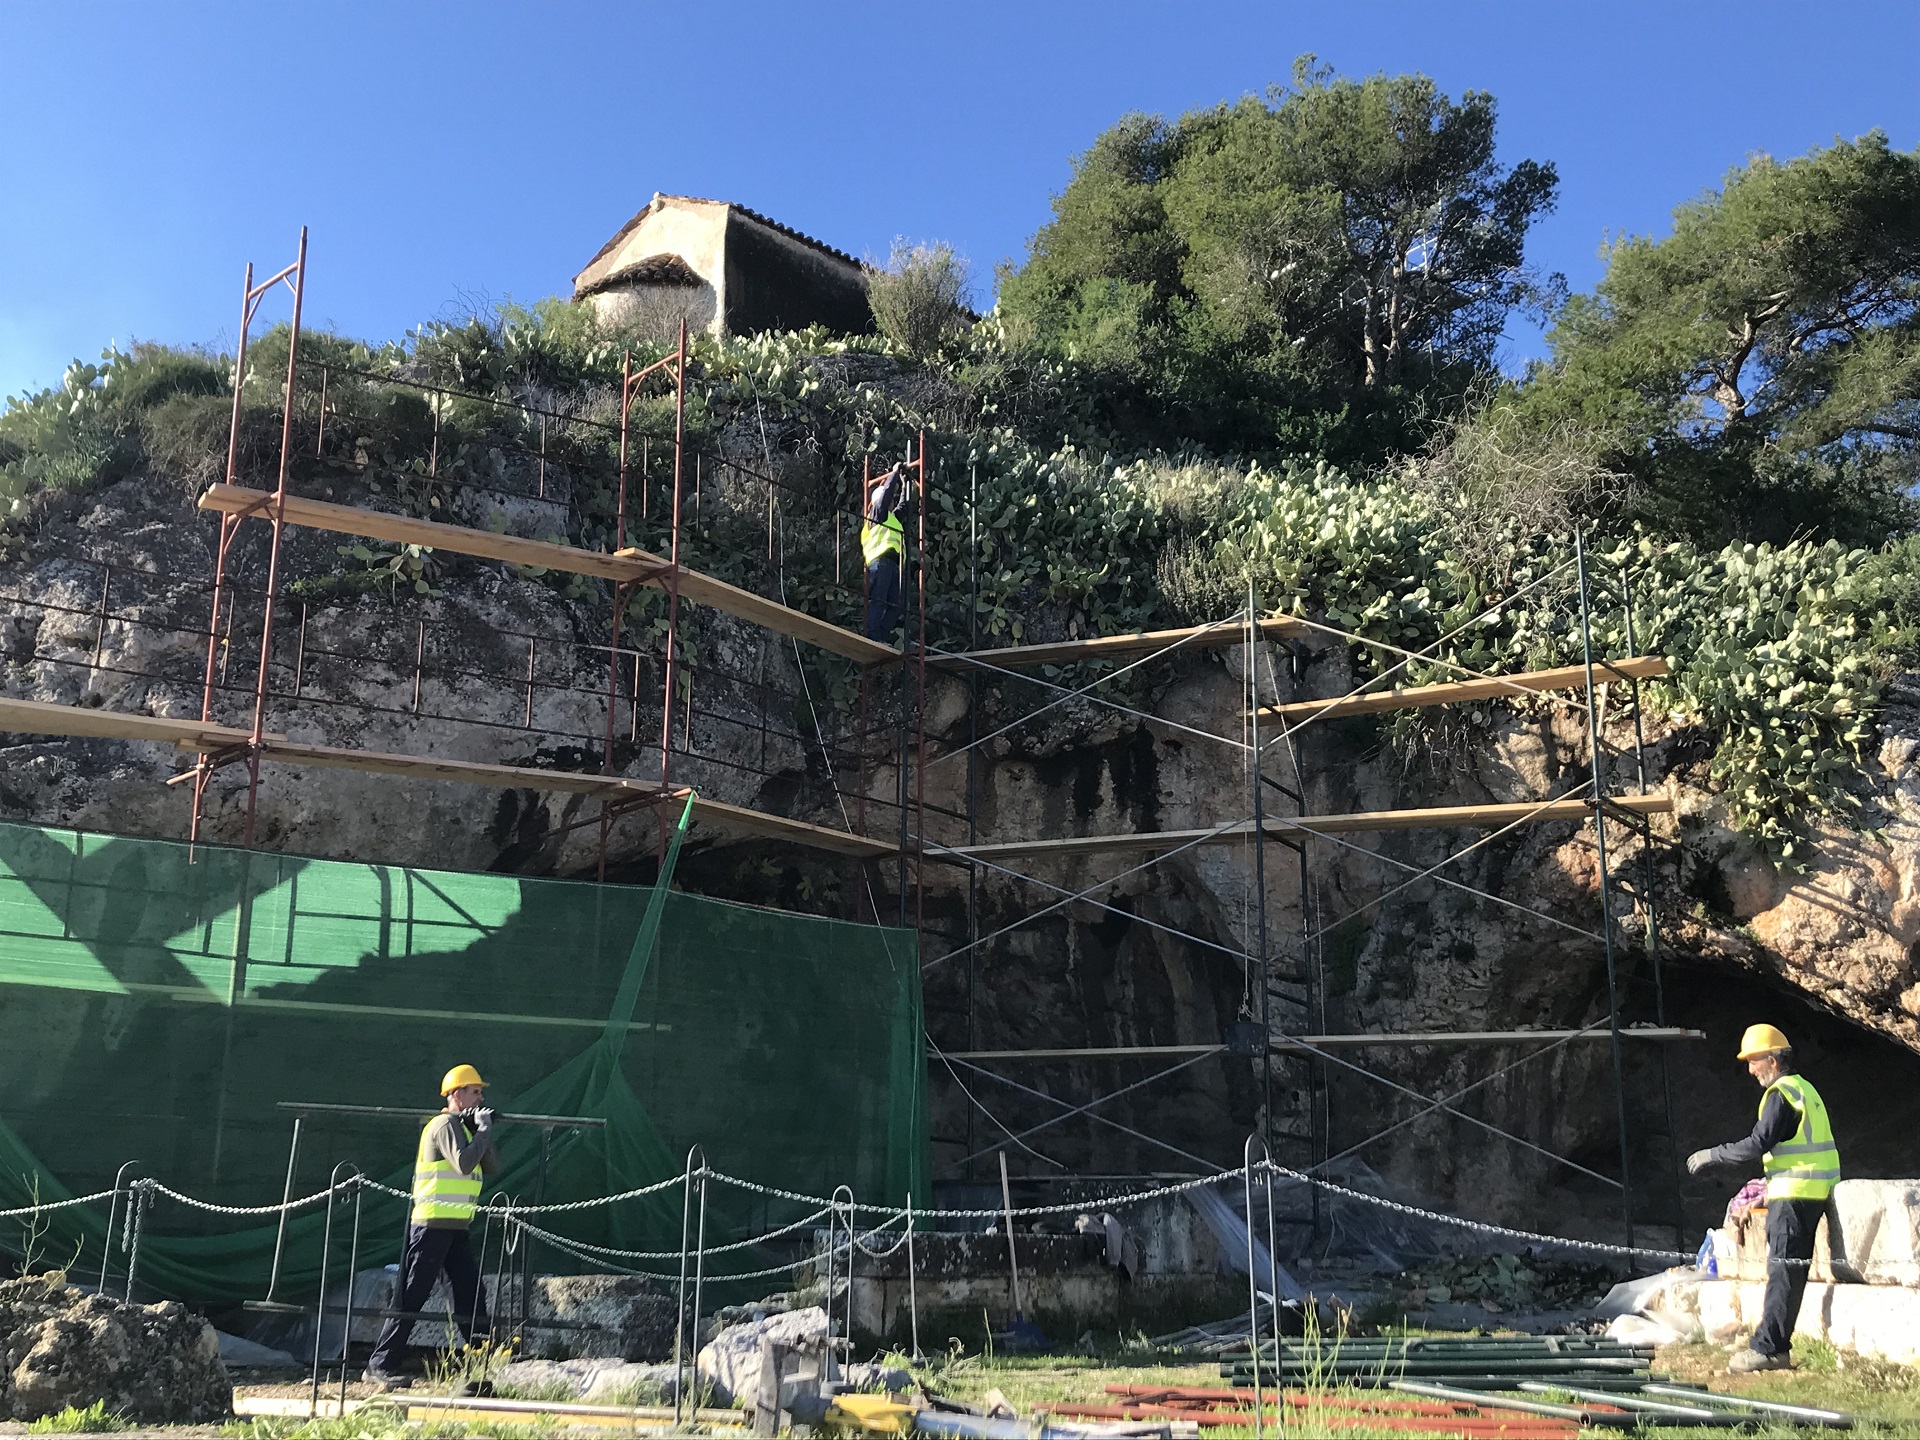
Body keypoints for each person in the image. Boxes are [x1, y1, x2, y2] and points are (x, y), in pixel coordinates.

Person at [1686, 1024, 1840, 1375]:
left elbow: (1758, 1143)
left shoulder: (1781, 1094)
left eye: (1753, 1061)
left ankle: (1769, 1349)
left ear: (1772, 1060)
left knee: (1782, 1273)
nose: (1750, 1069)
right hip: (1813, 1191)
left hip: (1794, 1194)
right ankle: (1773, 1344)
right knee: (1790, 1272)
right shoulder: (1805, 1089)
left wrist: (1714, 1154)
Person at [365, 1064, 501, 1387]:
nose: (481, 1098)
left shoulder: (465, 1128)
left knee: (470, 1291)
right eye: (475, 1091)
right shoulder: (443, 1125)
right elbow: (464, 1164)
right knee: (412, 1293)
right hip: (431, 1226)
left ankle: (483, 1361)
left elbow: (492, 1165)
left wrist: (481, 1132)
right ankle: (379, 1365)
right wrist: (482, 1132)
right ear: (456, 1095)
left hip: (455, 1227)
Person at [861, 462, 913, 643]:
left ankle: (881, 637)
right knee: (879, 600)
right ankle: (872, 637)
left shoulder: (892, 517)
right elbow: (887, 493)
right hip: (880, 561)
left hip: (893, 565)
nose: (891, 502)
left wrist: (905, 483)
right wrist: (894, 474)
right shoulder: (877, 514)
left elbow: (903, 506)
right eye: (889, 500)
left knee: (895, 605)